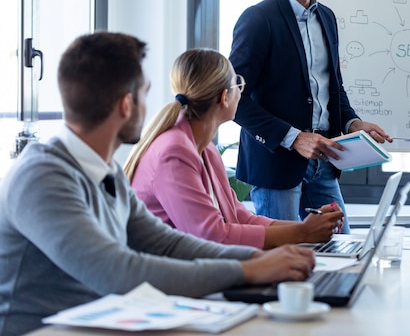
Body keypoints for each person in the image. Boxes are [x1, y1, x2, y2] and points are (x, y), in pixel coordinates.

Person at [0, 32, 315, 336]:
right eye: (145, 93)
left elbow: (166, 244)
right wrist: (247, 271)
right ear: (126, 105)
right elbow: (118, 272)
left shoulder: (104, 170)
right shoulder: (41, 177)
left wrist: (256, 259)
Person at [229, 0, 392, 233]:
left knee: (342, 250)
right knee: (287, 260)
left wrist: (353, 124)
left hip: (324, 163)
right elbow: (234, 99)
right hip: (277, 165)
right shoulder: (258, 19)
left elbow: (333, 89)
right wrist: (294, 138)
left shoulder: (326, 17)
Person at [124, 48, 344, 249]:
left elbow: (240, 218)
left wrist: (308, 228)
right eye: (238, 83)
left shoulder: (205, 149)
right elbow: (212, 236)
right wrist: (303, 233)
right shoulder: (174, 152)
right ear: (224, 97)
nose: (242, 91)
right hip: (165, 281)